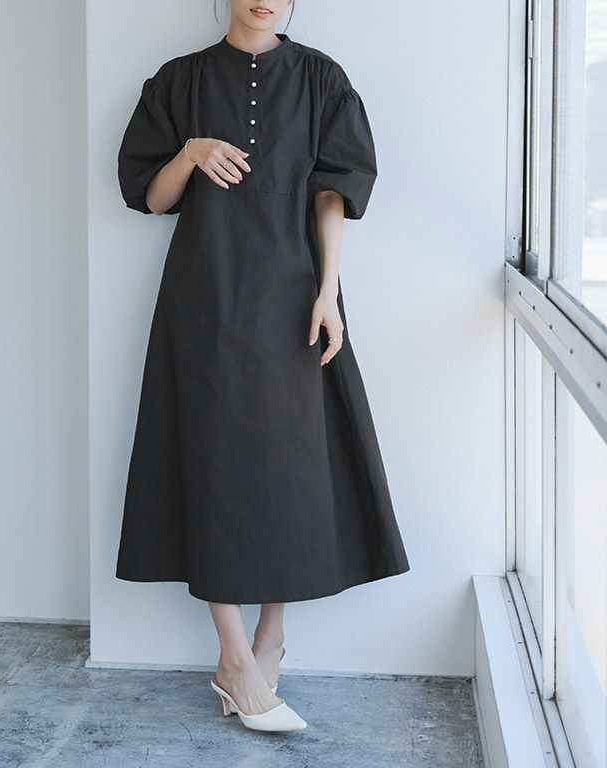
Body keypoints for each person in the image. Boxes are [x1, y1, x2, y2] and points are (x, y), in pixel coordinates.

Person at [114, 0, 411, 732]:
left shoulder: (322, 80)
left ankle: (270, 638)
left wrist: (328, 292)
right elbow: (149, 197)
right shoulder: (179, 81)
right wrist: (188, 153)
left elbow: (333, 195)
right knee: (211, 462)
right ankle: (234, 658)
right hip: (205, 298)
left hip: (292, 297)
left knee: (288, 463)